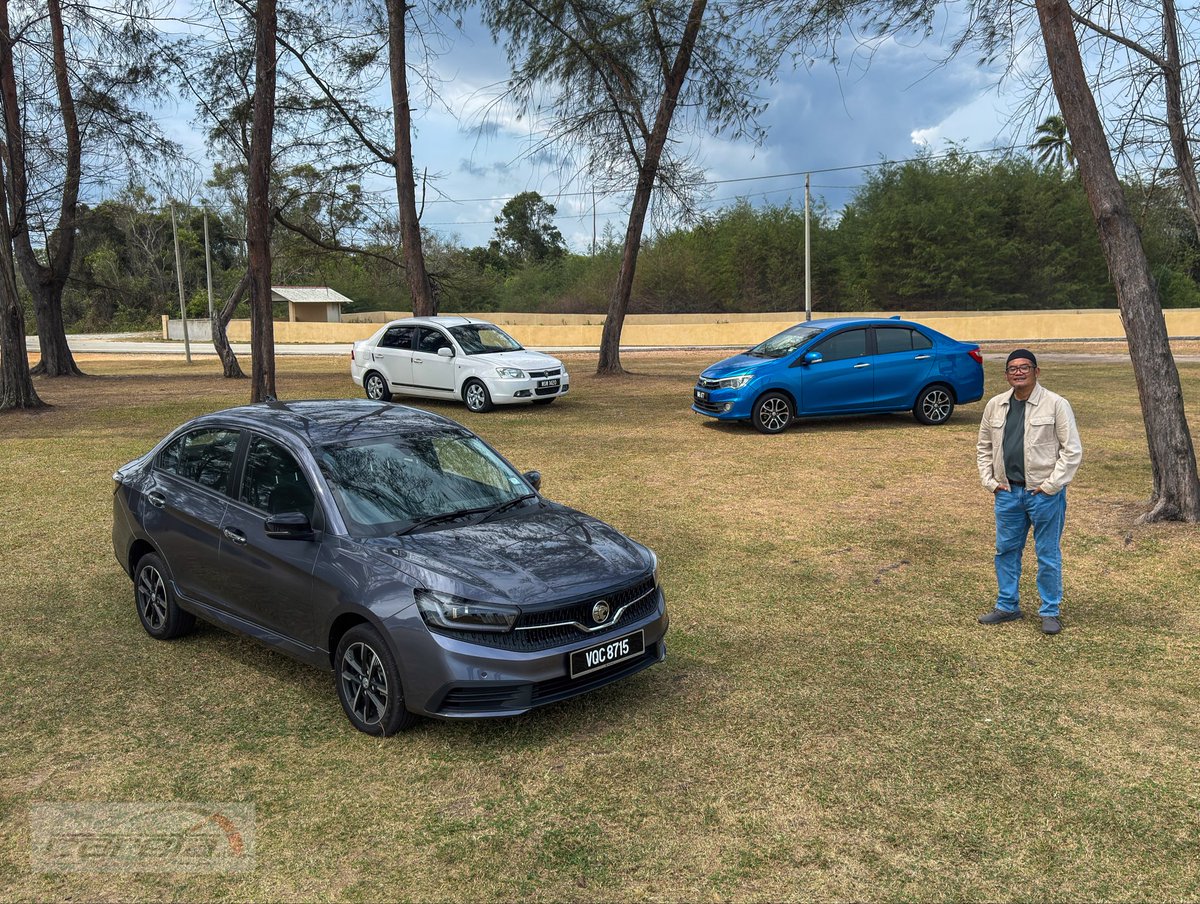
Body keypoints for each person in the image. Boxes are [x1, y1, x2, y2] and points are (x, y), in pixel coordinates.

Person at [976, 349, 1082, 634]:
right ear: (1006, 374)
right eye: (1013, 368)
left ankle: (1050, 611)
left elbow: (1071, 451)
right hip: (1008, 493)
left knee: (1047, 553)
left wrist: (1051, 486)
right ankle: (1007, 606)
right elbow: (984, 447)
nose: (1018, 372)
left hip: (1043, 495)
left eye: (1025, 367)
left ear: (1037, 371)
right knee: (1006, 551)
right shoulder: (995, 406)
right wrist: (989, 481)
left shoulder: (1056, 404)